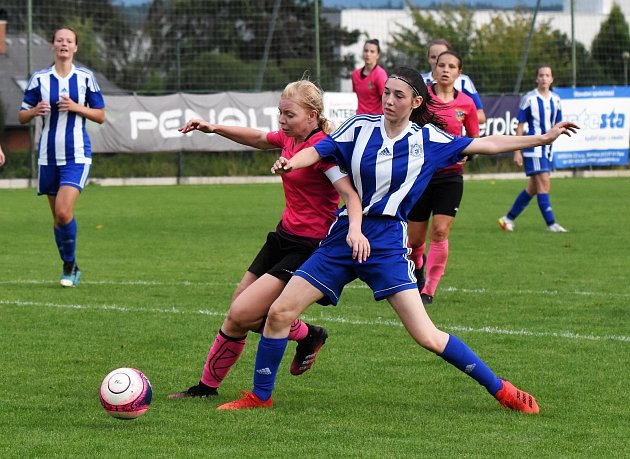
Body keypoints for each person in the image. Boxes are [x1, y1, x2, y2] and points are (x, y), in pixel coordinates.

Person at [216, 67, 578, 413]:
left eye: (398, 95)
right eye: (386, 92)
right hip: (344, 237)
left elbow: (488, 143)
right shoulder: (359, 127)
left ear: (415, 102)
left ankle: (501, 389)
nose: (388, 100)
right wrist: (291, 163)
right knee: (280, 312)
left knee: (427, 336)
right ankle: (260, 397)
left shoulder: (429, 140)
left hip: (387, 244)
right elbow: (319, 150)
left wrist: (543, 138)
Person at [168, 80, 370, 399]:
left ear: (312, 115)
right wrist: (213, 128)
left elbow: (350, 195)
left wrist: (354, 229)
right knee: (239, 309)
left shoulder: (324, 151)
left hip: (307, 249)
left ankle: (301, 341)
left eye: (289, 114)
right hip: (282, 237)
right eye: (280, 113)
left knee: (243, 313)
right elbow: (260, 138)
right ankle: (207, 388)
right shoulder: (290, 139)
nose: (281, 121)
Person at [18, 27, 106, 287]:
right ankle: (70, 264)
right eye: (59, 40)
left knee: (64, 212)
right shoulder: (39, 79)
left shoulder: (85, 78)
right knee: (57, 218)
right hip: (47, 155)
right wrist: (34, 110)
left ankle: (68, 266)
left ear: (76, 47)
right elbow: (21, 116)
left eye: (69, 41)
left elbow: (100, 115)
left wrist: (77, 107)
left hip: (77, 154)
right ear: (53, 45)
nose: (64, 44)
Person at [408, 50, 479, 305]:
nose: (445, 70)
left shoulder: (467, 104)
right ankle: (416, 267)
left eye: (451, 66)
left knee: (439, 231)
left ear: (459, 72)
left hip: (450, 178)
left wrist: (466, 155)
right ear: (434, 69)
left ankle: (429, 289)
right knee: (414, 240)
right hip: (421, 175)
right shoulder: (422, 99)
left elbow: (473, 139)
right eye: (441, 65)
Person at [498, 65, 567, 233]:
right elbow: (520, 125)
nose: (544, 78)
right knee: (544, 185)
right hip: (534, 147)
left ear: (552, 79)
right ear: (536, 78)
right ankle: (551, 224)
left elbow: (558, 125)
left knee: (533, 189)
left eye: (547, 75)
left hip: (547, 150)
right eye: (541, 75)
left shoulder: (556, 100)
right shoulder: (529, 98)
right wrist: (517, 151)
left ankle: (507, 219)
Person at [421, 39, 486, 124]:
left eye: (441, 55)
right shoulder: (420, 80)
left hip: (456, 136)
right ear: (428, 59)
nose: (437, 60)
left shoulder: (463, 81)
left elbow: (481, 117)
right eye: (433, 57)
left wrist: (455, 114)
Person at [352, 38, 388, 115]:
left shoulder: (380, 74)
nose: (368, 54)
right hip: (360, 118)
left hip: (375, 119)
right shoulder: (355, 74)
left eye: (372, 52)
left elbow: (386, 99)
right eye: (366, 51)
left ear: (377, 55)